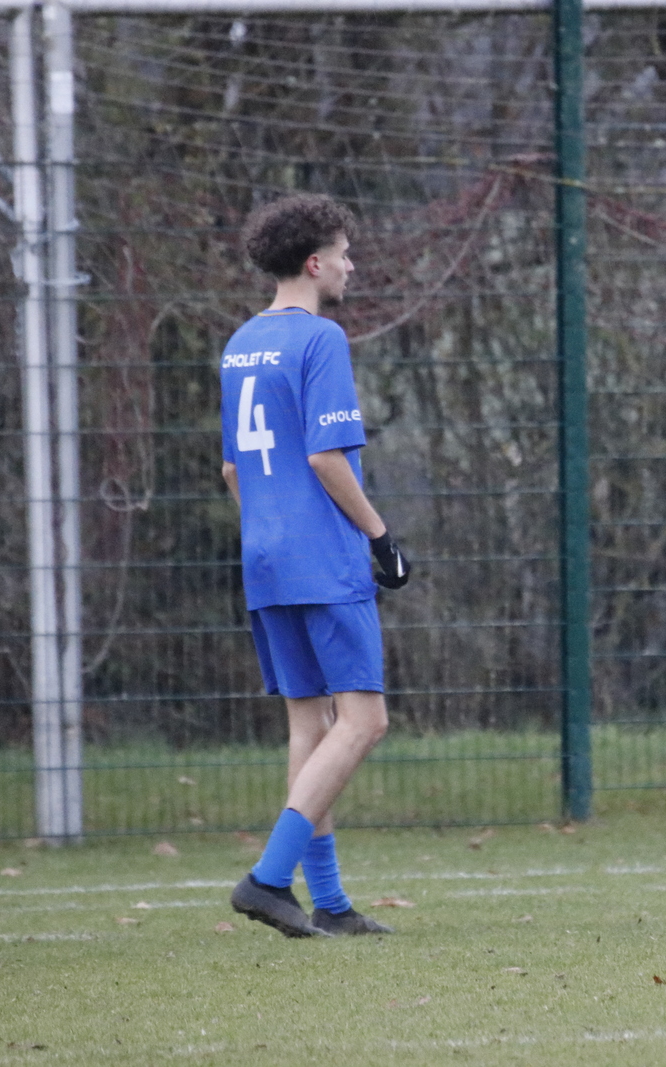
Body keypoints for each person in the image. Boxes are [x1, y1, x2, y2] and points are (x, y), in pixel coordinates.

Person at [222, 194, 410, 938]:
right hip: (323, 558)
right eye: (342, 253)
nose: (349, 266)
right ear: (313, 263)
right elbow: (326, 457)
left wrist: (270, 531)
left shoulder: (241, 343)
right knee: (365, 720)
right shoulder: (320, 338)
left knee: (311, 721)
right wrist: (380, 536)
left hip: (265, 557)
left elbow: (233, 470)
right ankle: (269, 878)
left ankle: (327, 900)